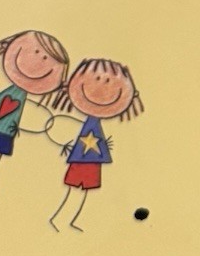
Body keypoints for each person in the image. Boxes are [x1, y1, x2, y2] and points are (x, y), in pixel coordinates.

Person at [0, 30, 69, 196]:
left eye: (45, 58)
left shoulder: (20, 97)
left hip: (5, 129)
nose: (37, 60)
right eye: (36, 52)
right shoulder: (12, 93)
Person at [49, 58, 142, 232]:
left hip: (90, 161)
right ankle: (59, 218)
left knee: (82, 191)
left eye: (108, 81)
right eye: (97, 79)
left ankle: (66, 220)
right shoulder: (85, 123)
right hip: (82, 160)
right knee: (73, 189)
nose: (103, 86)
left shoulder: (94, 125)